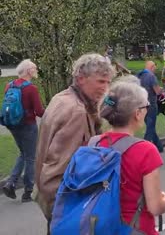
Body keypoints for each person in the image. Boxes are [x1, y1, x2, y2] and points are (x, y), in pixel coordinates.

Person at [35, 53, 115, 233]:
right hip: (66, 211)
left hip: (58, 209)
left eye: (108, 82)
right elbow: (57, 173)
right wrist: (69, 214)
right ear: (80, 79)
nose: (106, 88)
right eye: (101, 82)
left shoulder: (61, 97)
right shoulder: (76, 112)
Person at [98, 78, 165, 235]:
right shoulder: (145, 150)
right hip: (134, 228)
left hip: (100, 226)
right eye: (146, 106)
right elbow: (155, 206)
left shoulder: (94, 144)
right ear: (137, 113)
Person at [2, 60, 44, 202]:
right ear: (28, 71)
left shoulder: (9, 85)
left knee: (23, 153)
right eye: (34, 68)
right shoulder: (31, 88)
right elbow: (39, 112)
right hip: (28, 126)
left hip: (13, 125)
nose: (36, 70)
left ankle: (11, 183)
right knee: (31, 157)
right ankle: (28, 191)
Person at [137, 61, 164, 152]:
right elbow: (157, 92)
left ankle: (159, 146)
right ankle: (143, 148)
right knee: (150, 127)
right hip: (151, 104)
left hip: (141, 105)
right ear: (152, 67)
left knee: (150, 125)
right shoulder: (151, 77)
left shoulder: (139, 75)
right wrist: (161, 90)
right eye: (154, 68)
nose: (155, 70)